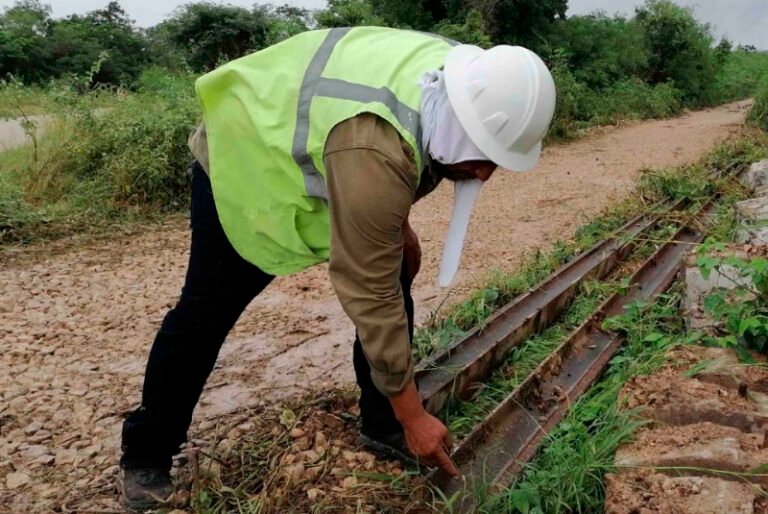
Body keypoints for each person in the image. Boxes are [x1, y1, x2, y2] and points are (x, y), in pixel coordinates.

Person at [117, 26, 556, 510]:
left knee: (395, 273)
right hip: (246, 160)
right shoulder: (374, 149)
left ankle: (381, 421)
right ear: (462, 124)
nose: (485, 173)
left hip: (335, 150)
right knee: (205, 313)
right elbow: (369, 291)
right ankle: (147, 454)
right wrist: (417, 417)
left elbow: (400, 156)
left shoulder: (463, 77)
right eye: (483, 157)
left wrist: (396, 227)